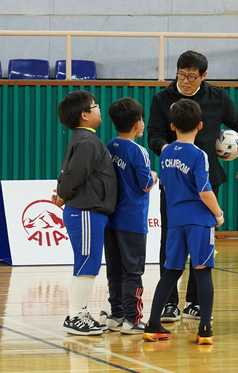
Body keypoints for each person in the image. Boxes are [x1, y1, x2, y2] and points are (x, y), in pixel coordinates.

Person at [147, 50, 238, 322]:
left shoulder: (217, 97)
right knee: (169, 239)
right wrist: (170, 150)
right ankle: (170, 303)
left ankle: (194, 302)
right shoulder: (162, 99)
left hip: (208, 180)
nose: (184, 81)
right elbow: (154, 135)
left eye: (191, 77)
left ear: (203, 76)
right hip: (175, 181)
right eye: (181, 74)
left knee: (203, 242)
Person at [142, 99, 224, 345]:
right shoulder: (199, 154)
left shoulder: (166, 152)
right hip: (199, 221)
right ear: (200, 125)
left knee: (171, 272)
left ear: (172, 125)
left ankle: (152, 323)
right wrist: (218, 214)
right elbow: (204, 190)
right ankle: (205, 330)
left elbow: (165, 185)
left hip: (175, 220)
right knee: (202, 271)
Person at [52, 90, 118, 336]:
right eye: (95, 106)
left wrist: (63, 193)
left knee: (86, 263)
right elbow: (73, 176)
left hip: (87, 212)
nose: (99, 109)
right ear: (84, 115)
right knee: (87, 265)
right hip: (86, 212)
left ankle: (80, 312)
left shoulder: (83, 139)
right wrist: (64, 194)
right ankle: (76, 315)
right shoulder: (87, 141)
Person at [104, 97, 158, 335]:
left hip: (111, 219)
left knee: (114, 269)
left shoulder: (110, 145)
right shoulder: (139, 151)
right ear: (138, 123)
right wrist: (156, 175)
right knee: (133, 270)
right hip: (132, 220)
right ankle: (133, 319)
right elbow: (145, 184)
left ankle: (116, 315)